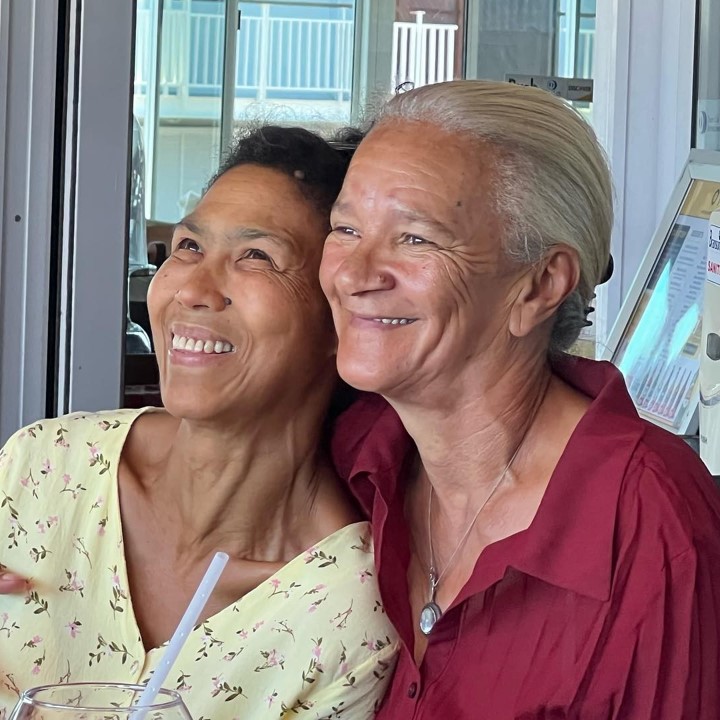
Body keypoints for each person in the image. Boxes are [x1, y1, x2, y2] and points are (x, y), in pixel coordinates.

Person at [320, 80, 720, 719]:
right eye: (345, 228)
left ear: (539, 286)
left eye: (415, 238)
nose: (353, 273)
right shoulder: (356, 456)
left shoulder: (650, 525)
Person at [0, 126, 397, 719]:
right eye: (188, 246)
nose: (192, 289)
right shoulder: (45, 464)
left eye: (257, 256)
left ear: (342, 316)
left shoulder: (343, 617)